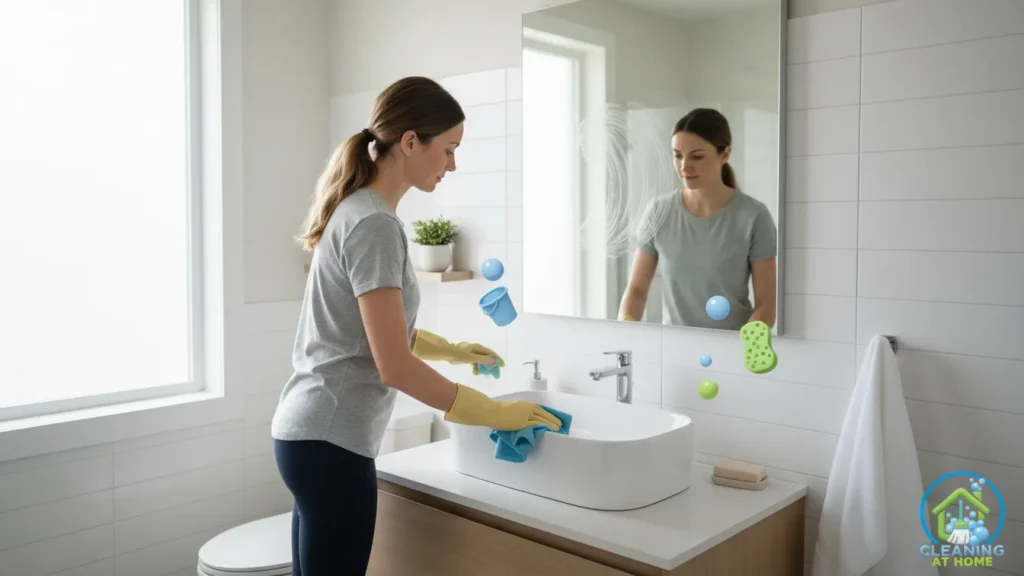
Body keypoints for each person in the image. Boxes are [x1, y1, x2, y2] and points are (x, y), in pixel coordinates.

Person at [270, 76, 561, 576]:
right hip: (331, 443)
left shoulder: (358, 211)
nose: (452, 165)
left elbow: (369, 331)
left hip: (310, 436)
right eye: (448, 150)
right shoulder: (375, 225)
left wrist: (454, 350)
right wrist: (492, 412)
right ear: (409, 142)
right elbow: (394, 367)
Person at [619, 108, 777, 330]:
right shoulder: (658, 212)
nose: (685, 166)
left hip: (731, 350)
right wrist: (625, 330)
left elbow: (767, 303)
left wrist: (750, 346)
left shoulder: (754, 217)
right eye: (677, 155)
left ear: (725, 155)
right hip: (673, 351)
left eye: (697, 156)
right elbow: (636, 290)